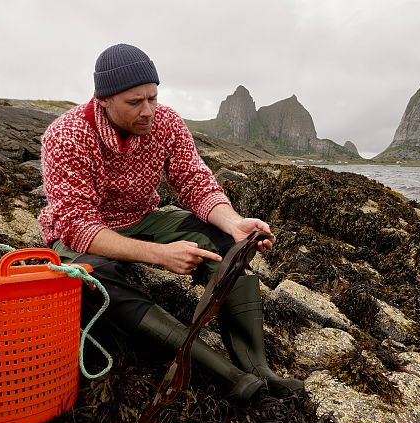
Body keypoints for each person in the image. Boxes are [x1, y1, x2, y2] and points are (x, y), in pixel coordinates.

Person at [37, 43, 303, 402]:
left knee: (231, 245)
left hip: (143, 218)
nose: (148, 111)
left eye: (153, 98)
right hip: (85, 235)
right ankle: (225, 375)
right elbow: (78, 226)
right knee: (91, 278)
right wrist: (161, 255)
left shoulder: (166, 122)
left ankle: (257, 368)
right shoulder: (67, 136)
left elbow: (194, 181)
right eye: (135, 102)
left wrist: (234, 223)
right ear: (103, 100)